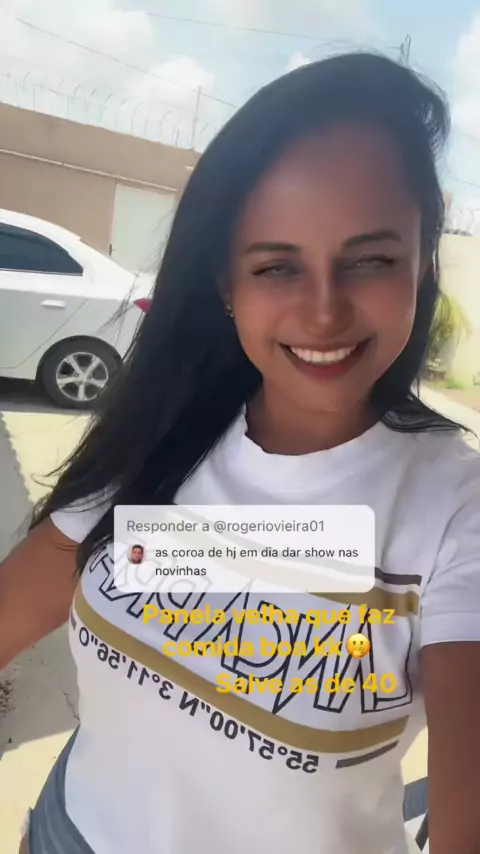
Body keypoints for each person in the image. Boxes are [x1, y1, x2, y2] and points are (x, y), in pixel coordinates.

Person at [1, 51, 479, 854]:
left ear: (422, 261)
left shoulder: (454, 509)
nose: (322, 312)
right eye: (277, 266)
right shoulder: (164, 434)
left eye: (369, 259)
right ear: (228, 283)